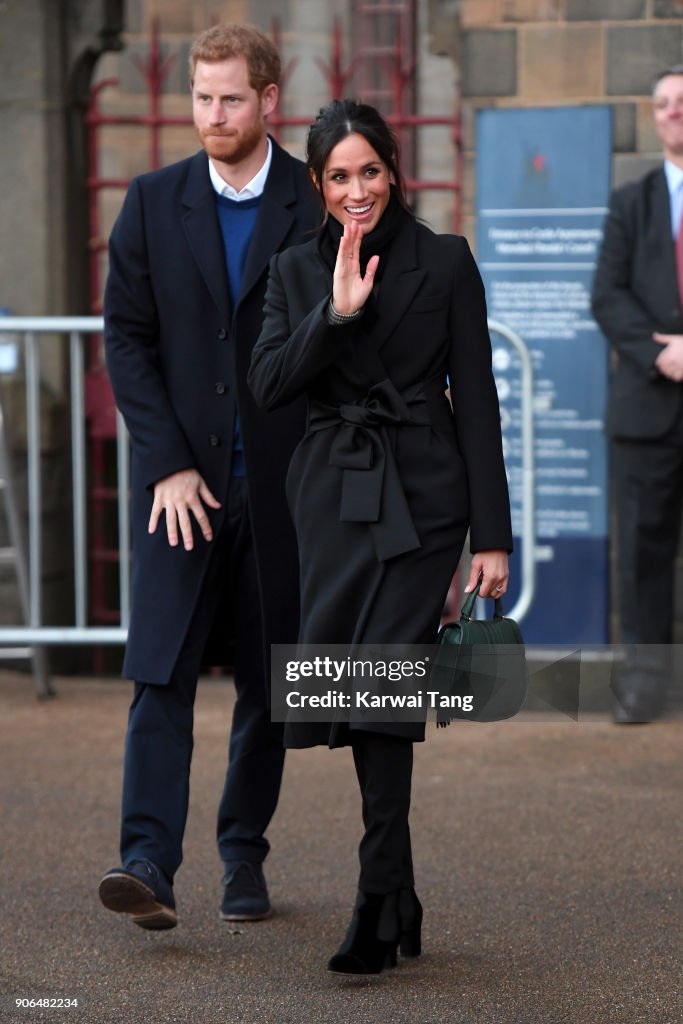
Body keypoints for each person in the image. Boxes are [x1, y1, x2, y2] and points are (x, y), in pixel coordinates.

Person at [248, 99, 512, 974]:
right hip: (331, 497)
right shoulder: (292, 270)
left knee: (384, 685)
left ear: (393, 171)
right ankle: (400, 894)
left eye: (368, 171)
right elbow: (268, 387)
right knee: (355, 691)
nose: (355, 190)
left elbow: (476, 401)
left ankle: (373, 897)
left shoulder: (445, 262)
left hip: (425, 496)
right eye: (337, 177)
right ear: (318, 186)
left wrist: (492, 536)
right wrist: (335, 312)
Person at [98, 22, 319, 929]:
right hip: (178, 492)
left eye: (229, 97)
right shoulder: (151, 201)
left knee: (268, 686)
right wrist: (169, 466)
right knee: (160, 676)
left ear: (268, 101)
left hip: (280, 493)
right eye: (200, 95)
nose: (212, 114)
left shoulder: (314, 201)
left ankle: (243, 857)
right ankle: (146, 859)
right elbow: (127, 340)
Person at [592, 65, 683, 724]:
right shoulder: (630, 202)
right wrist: (660, 352)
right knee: (642, 553)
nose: (672, 111)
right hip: (646, 410)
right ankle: (645, 683)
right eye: (662, 103)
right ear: (652, 116)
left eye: (682, 101)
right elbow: (606, 294)